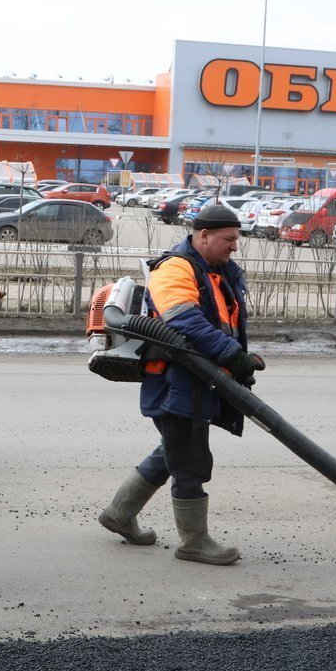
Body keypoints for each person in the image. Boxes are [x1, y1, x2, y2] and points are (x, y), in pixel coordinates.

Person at [97, 202, 263, 565]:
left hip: (199, 379)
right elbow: (185, 321)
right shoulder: (176, 269)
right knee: (189, 459)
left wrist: (240, 360)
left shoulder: (217, 271)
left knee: (172, 451)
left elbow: (220, 322)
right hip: (175, 380)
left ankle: (119, 514)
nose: (234, 245)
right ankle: (194, 542)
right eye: (228, 239)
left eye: (236, 239)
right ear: (203, 236)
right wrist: (231, 354)